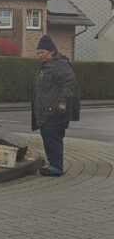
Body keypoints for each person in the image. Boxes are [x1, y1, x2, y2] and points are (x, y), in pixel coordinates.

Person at [31, 35, 80, 177]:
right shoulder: (46, 66)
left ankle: (57, 167)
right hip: (46, 112)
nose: (40, 55)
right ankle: (53, 165)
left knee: (54, 139)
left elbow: (69, 87)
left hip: (55, 112)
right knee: (48, 139)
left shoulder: (60, 65)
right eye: (38, 53)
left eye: (42, 52)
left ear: (51, 51)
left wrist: (61, 106)